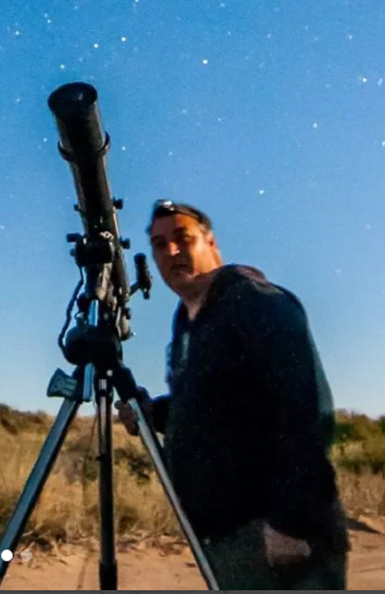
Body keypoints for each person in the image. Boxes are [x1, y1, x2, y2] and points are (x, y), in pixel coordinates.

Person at [117, 199, 349, 590]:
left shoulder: (253, 300)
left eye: (182, 238)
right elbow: (213, 407)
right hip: (226, 538)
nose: (171, 251)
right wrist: (151, 413)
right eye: (159, 244)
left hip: (272, 533)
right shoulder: (188, 323)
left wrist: (289, 522)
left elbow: (305, 406)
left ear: (211, 242)